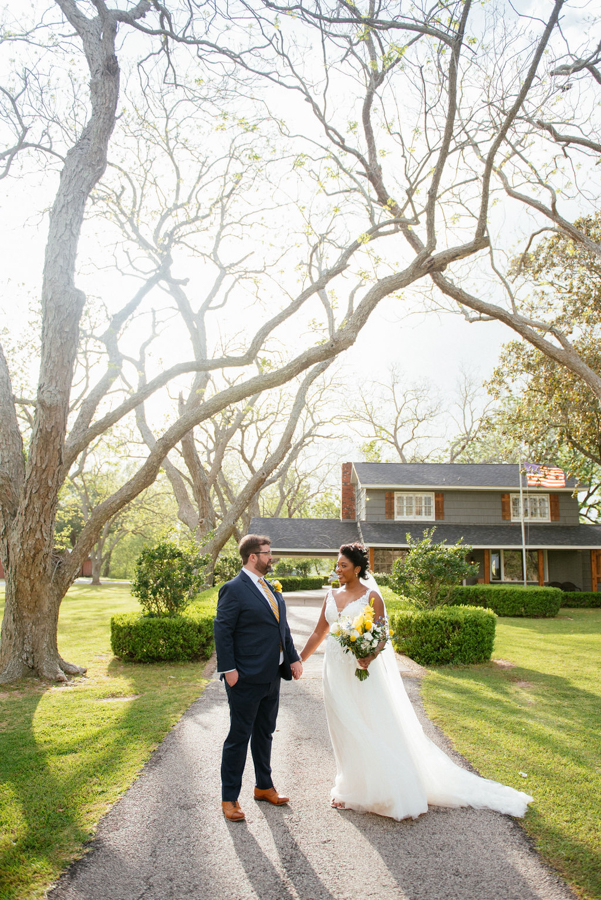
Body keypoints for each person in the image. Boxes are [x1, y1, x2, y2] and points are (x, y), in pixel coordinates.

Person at [299, 542, 533, 821]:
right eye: (337, 565)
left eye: (343, 565)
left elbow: (382, 635)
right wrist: (298, 659)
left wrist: (370, 655)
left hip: (361, 672)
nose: (338, 569)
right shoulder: (331, 595)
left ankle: (375, 787)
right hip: (334, 671)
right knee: (342, 726)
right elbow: (317, 634)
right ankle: (350, 783)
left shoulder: (371, 596)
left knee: (365, 722)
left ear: (357, 568)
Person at [214, 534, 303, 822]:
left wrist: (292, 657)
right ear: (253, 556)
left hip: (272, 676)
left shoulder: (269, 588)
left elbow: (282, 627)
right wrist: (230, 672)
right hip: (244, 678)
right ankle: (230, 799)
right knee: (239, 737)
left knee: (265, 733)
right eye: (267, 553)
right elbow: (223, 631)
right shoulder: (234, 589)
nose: (271, 557)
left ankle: (264, 786)